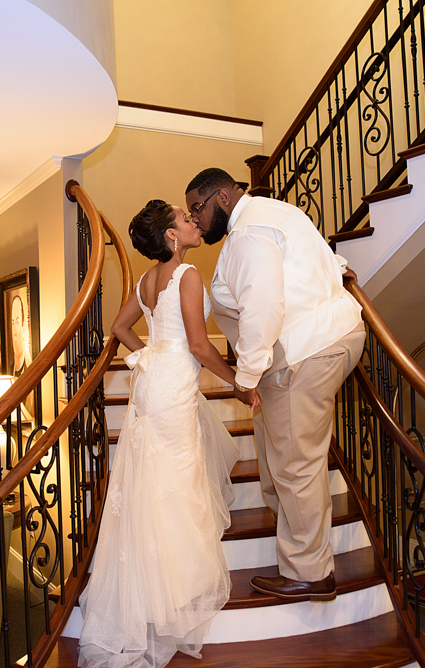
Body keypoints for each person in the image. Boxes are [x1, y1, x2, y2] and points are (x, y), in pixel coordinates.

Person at [77, 199, 259, 668]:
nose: (194, 221)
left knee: (155, 486)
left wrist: (151, 354)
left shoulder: (144, 281)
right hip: (172, 385)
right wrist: (237, 384)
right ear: (172, 237)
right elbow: (199, 345)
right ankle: (179, 591)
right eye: (184, 218)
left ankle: (156, 589)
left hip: (152, 385)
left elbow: (120, 328)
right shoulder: (188, 275)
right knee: (177, 483)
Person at [185, 168, 365, 602]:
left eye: (198, 208)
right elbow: (323, 255)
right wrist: (340, 270)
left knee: (295, 464)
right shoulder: (276, 211)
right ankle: (295, 531)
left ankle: (310, 573)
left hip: (302, 351)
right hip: (331, 337)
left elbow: (263, 307)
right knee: (281, 453)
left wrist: (245, 378)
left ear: (223, 197)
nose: (196, 220)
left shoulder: (247, 235)